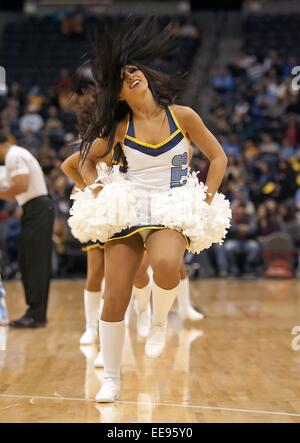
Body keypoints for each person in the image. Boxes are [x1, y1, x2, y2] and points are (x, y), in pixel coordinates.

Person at [69, 17, 231, 402]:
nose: (131, 77)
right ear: (119, 94)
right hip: (130, 207)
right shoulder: (121, 127)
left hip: (172, 206)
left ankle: (158, 322)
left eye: (133, 70)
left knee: (166, 264)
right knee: (116, 294)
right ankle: (111, 378)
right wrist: (100, 194)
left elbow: (219, 157)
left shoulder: (183, 115)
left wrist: (205, 199)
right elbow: (81, 162)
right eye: (122, 78)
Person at [0, 130, 54, 328]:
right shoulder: (17, 154)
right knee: (28, 261)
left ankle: (36, 315)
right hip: (34, 208)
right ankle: (34, 312)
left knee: (35, 263)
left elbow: (21, 185)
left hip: (38, 208)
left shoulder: (14, 155)